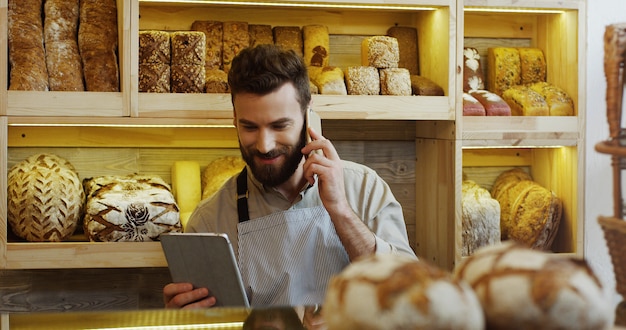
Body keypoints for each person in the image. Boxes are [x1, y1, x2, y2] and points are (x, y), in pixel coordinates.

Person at [163, 44, 416, 308]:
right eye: (249, 127)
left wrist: (341, 211)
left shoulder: (365, 188)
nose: (264, 145)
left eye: (280, 125)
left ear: (308, 113)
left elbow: (410, 298)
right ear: (235, 118)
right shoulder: (209, 222)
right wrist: (185, 320)